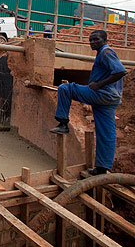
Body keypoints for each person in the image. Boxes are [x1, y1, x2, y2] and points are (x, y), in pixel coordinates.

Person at [50, 30, 127, 175]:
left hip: (103, 94)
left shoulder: (106, 52)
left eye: (96, 39)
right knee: (106, 132)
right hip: (110, 99)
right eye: (91, 40)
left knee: (65, 88)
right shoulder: (103, 52)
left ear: (105, 39)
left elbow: (120, 71)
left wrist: (98, 85)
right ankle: (102, 168)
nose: (92, 42)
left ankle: (63, 123)